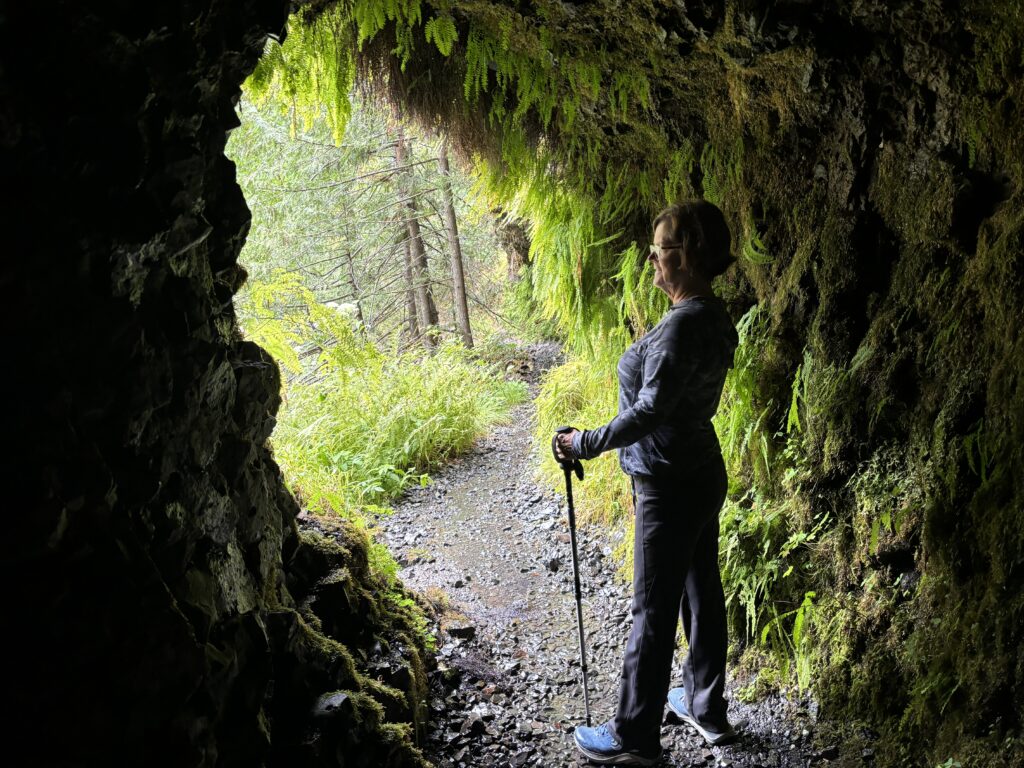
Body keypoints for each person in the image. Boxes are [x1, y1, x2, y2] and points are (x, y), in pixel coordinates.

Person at [554, 200, 740, 766]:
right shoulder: (713, 315)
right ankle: (704, 708)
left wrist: (583, 441)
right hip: (702, 471)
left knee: (652, 607)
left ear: (684, 257)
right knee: (701, 588)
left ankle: (634, 735)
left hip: (666, 482)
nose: (651, 260)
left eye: (658, 251)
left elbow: (652, 407)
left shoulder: (681, 326)